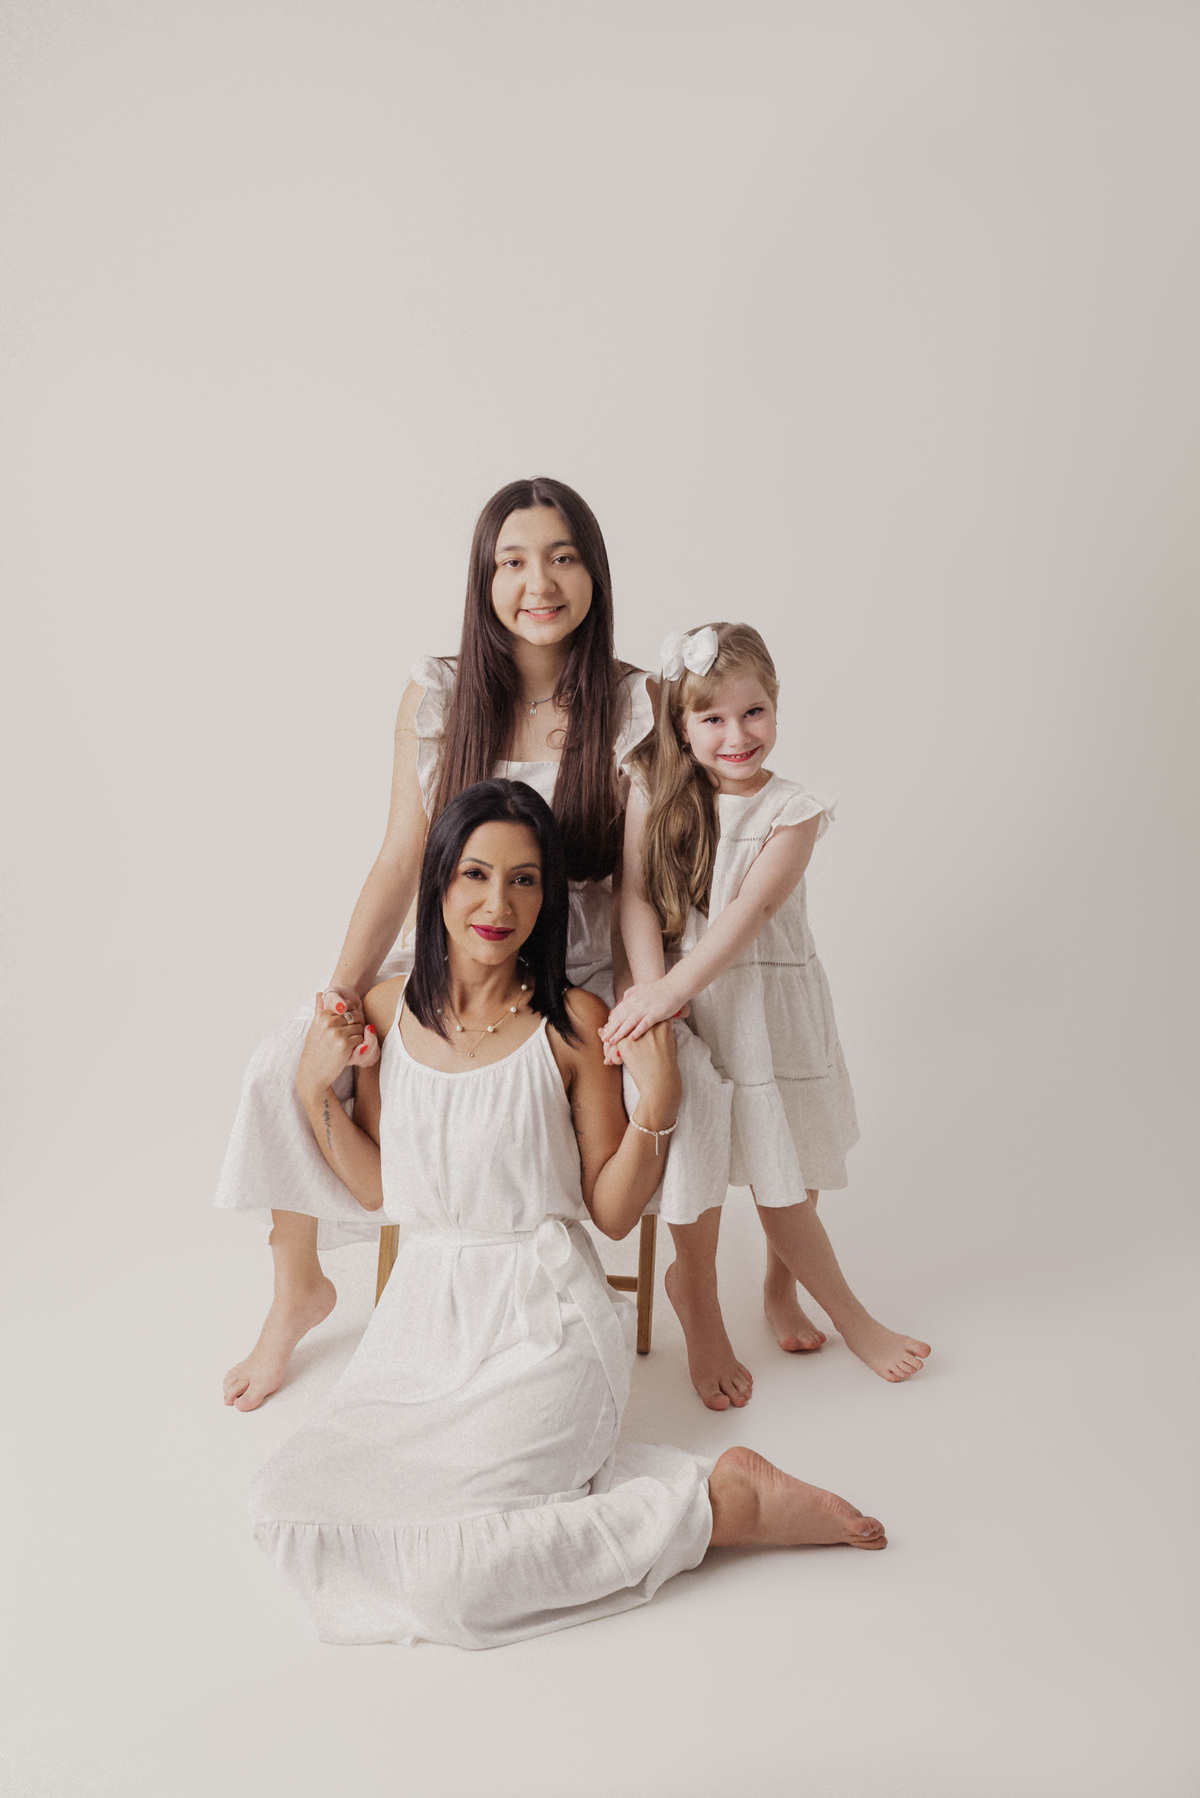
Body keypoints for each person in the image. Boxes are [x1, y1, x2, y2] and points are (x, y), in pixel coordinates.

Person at [249, 779, 887, 1649]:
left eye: (524, 880)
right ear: (439, 882)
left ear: (548, 897)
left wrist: (658, 1103)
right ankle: (663, 1503)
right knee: (288, 1513)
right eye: (475, 875)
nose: (497, 905)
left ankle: (720, 1505)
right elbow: (376, 1189)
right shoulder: (389, 1013)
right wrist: (309, 1088)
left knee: (455, 1581)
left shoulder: (574, 1025)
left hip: (542, 1323)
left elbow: (613, 1215)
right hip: (421, 1329)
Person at [218, 477, 727, 1411]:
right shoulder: (440, 693)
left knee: (688, 1075)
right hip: (452, 964)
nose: (540, 583)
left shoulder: (635, 705)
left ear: (594, 572)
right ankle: (298, 1289)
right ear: (483, 578)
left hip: (575, 963)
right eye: (514, 561)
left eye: (563, 557)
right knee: (284, 1061)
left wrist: (644, 1004)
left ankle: (696, 1291)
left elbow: (635, 886)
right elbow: (398, 861)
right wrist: (339, 996)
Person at [602, 623, 931, 1407]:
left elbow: (748, 913)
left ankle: (783, 1290)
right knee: (705, 1153)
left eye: (754, 712)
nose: (737, 735)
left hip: (766, 1008)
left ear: (776, 708)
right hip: (689, 1008)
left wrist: (670, 989)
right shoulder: (652, 789)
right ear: (682, 725)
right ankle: (737, 1299)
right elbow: (635, 895)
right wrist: (654, 994)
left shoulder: (793, 811)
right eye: (712, 718)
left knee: (794, 1163)